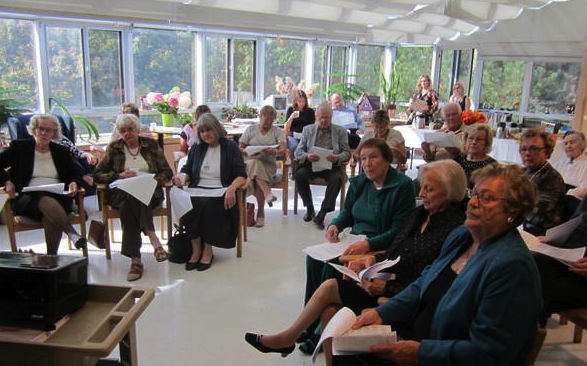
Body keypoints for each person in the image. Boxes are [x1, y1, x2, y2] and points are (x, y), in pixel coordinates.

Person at [244, 159, 467, 358]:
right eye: (423, 188)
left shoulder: (454, 229)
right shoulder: (420, 214)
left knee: (331, 303)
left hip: (402, 297)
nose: (422, 194)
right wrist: (372, 262)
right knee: (329, 293)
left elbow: (432, 282)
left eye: (429, 189)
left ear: (449, 190)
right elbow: (396, 245)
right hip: (383, 278)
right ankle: (290, 337)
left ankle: (289, 339)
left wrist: (386, 287)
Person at [333, 163, 541, 366]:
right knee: (340, 342)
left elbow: (490, 352)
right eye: (474, 194)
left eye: (486, 198)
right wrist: (382, 312)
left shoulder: (511, 267)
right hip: (422, 337)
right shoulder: (463, 236)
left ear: (512, 211)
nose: (473, 202)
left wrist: (420, 353)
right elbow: (425, 281)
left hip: (441, 355)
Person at [299, 138, 415, 352]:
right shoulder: (360, 182)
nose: (367, 163)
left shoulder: (403, 186)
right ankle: (311, 322)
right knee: (313, 259)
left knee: (330, 264)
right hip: (354, 242)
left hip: (380, 247)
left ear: (387, 159)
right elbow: (347, 213)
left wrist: (369, 244)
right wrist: (335, 225)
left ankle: (318, 334)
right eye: (363, 158)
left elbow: (400, 231)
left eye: (373, 157)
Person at [94, 114, 173, 281]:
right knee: (131, 196)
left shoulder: (151, 145)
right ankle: (154, 240)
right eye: (123, 131)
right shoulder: (114, 148)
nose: (127, 134)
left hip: (149, 192)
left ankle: (136, 261)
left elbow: (167, 172)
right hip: (120, 191)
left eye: (130, 129)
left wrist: (150, 180)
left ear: (137, 129)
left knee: (130, 204)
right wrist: (119, 176)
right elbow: (97, 175)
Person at [0, 114, 87, 254]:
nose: (44, 133)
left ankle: (50, 260)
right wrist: (6, 181)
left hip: (58, 197)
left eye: (49, 130)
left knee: (50, 215)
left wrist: (74, 182)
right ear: (34, 129)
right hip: (27, 199)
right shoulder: (20, 148)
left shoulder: (61, 151)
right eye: (41, 129)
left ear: (54, 133)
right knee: (46, 201)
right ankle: (72, 234)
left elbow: (76, 172)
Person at [174, 113, 247, 271]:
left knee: (208, 204)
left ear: (216, 129)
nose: (205, 134)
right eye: (202, 131)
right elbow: (187, 170)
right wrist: (181, 178)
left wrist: (231, 189)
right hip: (197, 188)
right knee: (186, 201)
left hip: (220, 189)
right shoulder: (197, 149)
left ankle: (207, 250)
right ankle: (195, 250)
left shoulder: (230, 147)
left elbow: (241, 174)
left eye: (208, 130)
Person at [294, 102, 352, 228]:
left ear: (331, 117)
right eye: (322, 117)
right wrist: (307, 156)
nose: (324, 120)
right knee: (299, 175)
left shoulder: (340, 131)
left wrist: (337, 157)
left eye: (327, 117)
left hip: (331, 166)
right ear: (316, 116)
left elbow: (347, 153)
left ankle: (322, 213)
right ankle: (309, 208)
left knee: (337, 179)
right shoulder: (308, 130)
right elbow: (298, 151)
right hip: (311, 164)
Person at [534, 196, 587, 327]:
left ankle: (530, 336)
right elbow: (576, 226)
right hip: (574, 262)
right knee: (533, 263)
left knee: (535, 288)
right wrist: (554, 238)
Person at [239, 105, 286, 227]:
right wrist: (249, 151)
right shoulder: (251, 129)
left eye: (271, 120)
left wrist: (274, 152)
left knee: (258, 173)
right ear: (260, 117)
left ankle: (262, 207)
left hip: (268, 165)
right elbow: (240, 147)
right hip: (249, 163)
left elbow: (283, 150)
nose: (268, 122)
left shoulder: (277, 131)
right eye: (266, 120)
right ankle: (263, 205)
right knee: (255, 163)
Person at [519, 128, 565, 236]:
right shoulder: (521, 172)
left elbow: (538, 213)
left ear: (547, 152)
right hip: (519, 226)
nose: (527, 153)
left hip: (538, 233)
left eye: (533, 149)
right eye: (523, 149)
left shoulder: (552, 178)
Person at [453, 124, 496, 188]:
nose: (474, 142)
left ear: (486, 143)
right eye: (471, 138)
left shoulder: (492, 165)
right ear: (466, 140)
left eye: (479, 139)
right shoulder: (458, 159)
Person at [553, 130, 587, 199]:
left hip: (575, 204)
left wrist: (564, 195)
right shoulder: (560, 163)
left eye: (572, 142)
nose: (568, 146)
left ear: (582, 144)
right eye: (566, 143)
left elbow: (584, 189)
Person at [283, 90, 315, 163]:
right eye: (299, 101)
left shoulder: (310, 111)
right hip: (292, 136)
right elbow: (286, 128)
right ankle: (295, 168)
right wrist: (291, 117)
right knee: (295, 146)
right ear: (295, 101)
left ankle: (304, 166)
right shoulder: (291, 110)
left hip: (305, 136)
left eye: (303, 101)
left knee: (310, 147)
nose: (301, 103)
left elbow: (312, 127)